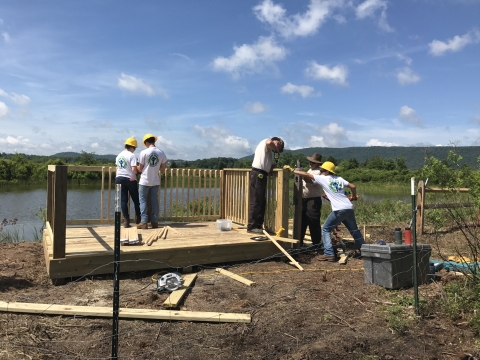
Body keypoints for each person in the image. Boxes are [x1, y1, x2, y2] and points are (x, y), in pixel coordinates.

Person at [293, 161, 365, 261]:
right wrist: (353, 196)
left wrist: (293, 171)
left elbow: (306, 174)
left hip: (339, 209)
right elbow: (353, 186)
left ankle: (329, 253)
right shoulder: (339, 179)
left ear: (327, 171)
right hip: (349, 207)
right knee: (354, 230)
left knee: (325, 229)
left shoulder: (323, 178)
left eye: (322, 170)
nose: (320, 172)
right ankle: (364, 251)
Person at [247, 136, 285, 234]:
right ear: (277, 142)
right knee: (256, 201)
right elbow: (269, 143)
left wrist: (270, 166)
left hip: (261, 175)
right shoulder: (266, 141)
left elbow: (263, 162)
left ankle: (258, 225)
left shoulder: (267, 149)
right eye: (278, 149)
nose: (276, 151)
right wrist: (276, 148)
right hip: (258, 175)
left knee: (261, 201)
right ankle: (252, 226)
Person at [136, 133, 167, 230]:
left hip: (144, 181)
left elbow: (140, 169)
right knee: (154, 201)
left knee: (143, 200)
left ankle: (144, 222)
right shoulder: (161, 152)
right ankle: (154, 222)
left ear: (146, 142)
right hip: (155, 181)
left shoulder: (143, 153)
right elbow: (162, 168)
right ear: (154, 141)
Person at [115, 137, 141, 228]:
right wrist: (137, 172)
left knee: (123, 200)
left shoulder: (119, 155)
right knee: (136, 200)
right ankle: (139, 220)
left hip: (119, 178)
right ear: (132, 147)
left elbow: (119, 168)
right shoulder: (131, 155)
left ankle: (126, 221)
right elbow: (134, 170)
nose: (134, 150)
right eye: (135, 148)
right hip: (130, 179)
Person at [300, 153, 323, 250]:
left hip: (313, 200)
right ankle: (300, 242)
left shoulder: (318, 172)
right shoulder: (311, 170)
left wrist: (299, 172)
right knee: (302, 221)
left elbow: (308, 179)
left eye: (313, 162)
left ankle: (316, 244)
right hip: (305, 199)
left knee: (313, 221)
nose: (311, 163)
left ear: (317, 164)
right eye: (310, 162)